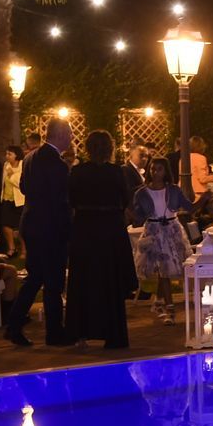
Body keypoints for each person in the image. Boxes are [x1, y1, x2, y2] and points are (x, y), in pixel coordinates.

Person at [65, 130, 135, 350]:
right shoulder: (116, 172)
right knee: (109, 280)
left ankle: (80, 333)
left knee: (83, 280)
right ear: (109, 148)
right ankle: (113, 334)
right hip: (109, 228)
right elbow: (125, 198)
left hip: (85, 228)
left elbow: (71, 199)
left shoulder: (78, 172)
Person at [7, 118, 73, 347]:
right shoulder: (58, 165)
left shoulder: (30, 158)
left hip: (32, 224)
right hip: (50, 228)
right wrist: (68, 230)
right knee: (53, 281)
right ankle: (54, 332)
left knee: (35, 278)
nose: (72, 138)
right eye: (70, 133)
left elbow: (24, 187)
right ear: (60, 134)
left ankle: (14, 324)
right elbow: (61, 202)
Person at [133, 157, 190, 324]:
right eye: (152, 169)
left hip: (171, 230)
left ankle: (159, 301)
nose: (155, 172)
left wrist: (204, 198)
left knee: (164, 269)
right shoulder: (142, 193)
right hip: (153, 231)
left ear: (165, 171)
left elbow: (189, 206)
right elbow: (138, 217)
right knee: (162, 269)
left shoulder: (173, 190)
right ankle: (170, 308)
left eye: (159, 169)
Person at [0, 144, 25, 256]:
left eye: (10, 154)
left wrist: (12, 175)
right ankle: (11, 248)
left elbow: (21, 184)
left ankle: (24, 250)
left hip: (20, 200)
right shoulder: (6, 165)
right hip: (7, 199)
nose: (7, 156)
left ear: (16, 155)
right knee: (5, 224)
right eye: (6, 154)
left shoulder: (23, 165)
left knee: (22, 226)